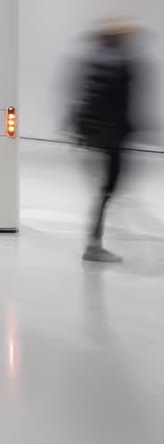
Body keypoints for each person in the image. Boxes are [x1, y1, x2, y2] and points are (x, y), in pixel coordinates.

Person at [69, 22, 146, 263]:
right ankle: (93, 245)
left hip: (95, 138)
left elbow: (85, 99)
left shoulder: (95, 63)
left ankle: (94, 243)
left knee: (104, 191)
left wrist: (80, 133)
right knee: (106, 191)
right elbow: (123, 105)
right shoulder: (122, 66)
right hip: (113, 138)